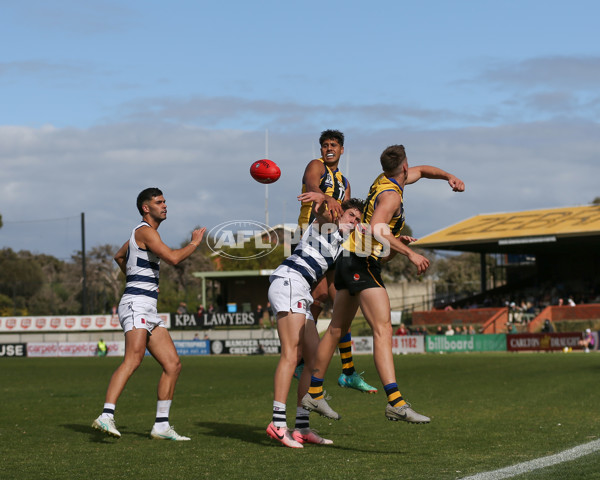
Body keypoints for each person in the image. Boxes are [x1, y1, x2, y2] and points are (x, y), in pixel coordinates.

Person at [302, 144, 464, 425]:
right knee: (383, 329)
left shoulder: (387, 179)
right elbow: (378, 228)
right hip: (361, 261)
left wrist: (448, 176)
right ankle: (396, 403)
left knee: (336, 329)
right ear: (404, 167)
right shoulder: (391, 196)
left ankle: (313, 393)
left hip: (350, 258)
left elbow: (424, 171)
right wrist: (410, 253)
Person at [92, 187, 206, 441]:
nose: (165, 205)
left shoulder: (142, 234)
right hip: (136, 304)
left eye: (165, 201)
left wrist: (133, 276)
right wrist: (195, 243)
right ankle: (106, 415)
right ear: (146, 208)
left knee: (173, 365)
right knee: (133, 359)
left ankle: (161, 426)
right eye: (159, 202)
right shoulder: (145, 231)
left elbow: (119, 255)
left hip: (147, 307)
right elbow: (174, 259)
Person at [266, 193, 364, 448]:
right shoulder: (327, 223)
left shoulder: (343, 242)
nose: (354, 220)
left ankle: (301, 427)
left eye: (358, 218)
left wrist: (399, 248)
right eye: (351, 215)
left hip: (300, 290)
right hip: (289, 280)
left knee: (313, 360)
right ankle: (277, 424)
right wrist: (324, 196)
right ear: (340, 213)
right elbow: (321, 211)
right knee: (291, 354)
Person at [294, 129, 377, 394]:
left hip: (333, 241)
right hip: (310, 237)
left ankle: (345, 371)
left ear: (342, 150)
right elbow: (312, 187)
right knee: (320, 298)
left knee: (341, 301)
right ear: (321, 150)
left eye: (334, 145)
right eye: (325, 145)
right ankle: (302, 361)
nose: (329, 148)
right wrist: (327, 197)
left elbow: (348, 211)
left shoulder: (345, 181)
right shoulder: (316, 166)